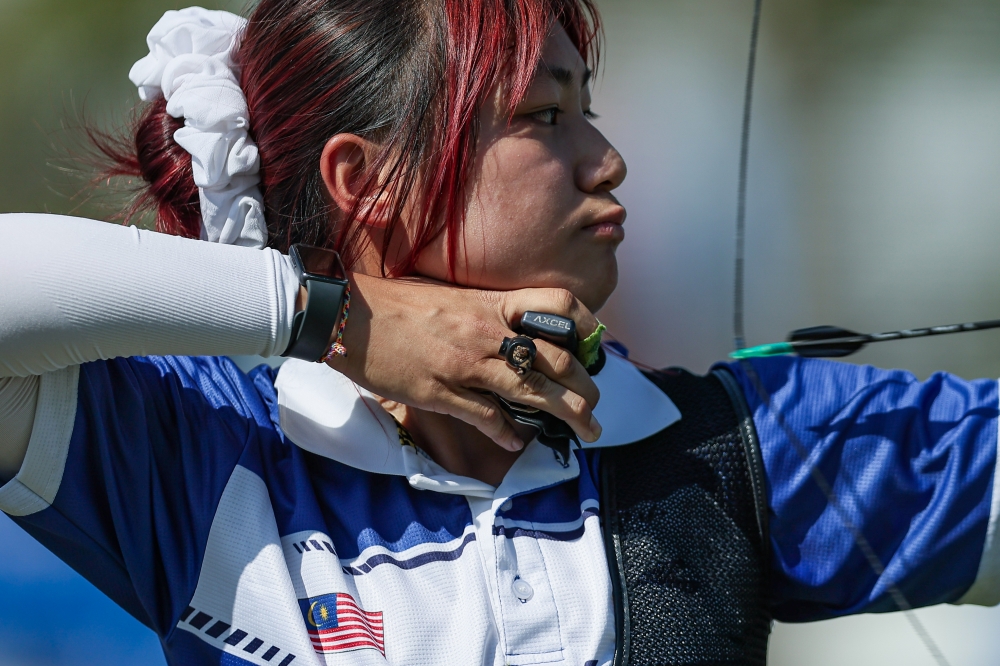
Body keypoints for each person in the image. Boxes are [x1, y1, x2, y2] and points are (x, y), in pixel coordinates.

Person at [0, 1, 998, 665]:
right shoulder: (201, 443)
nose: (607, 160)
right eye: (545, 117)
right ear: (365, 181)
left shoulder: (726, 451)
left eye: (589, 112)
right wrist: (339, 326)